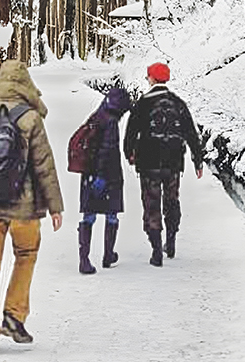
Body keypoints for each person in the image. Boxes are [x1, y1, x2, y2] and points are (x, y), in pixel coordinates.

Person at [0, 59, 64, 356]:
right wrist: (54, 206)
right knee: (26, 255)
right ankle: (14, 316)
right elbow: (44, 165)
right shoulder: (30, 118)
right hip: (23, 207)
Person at [123, 61, 204, 266]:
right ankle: (171, 240)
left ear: (151, 78)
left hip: (148, 163)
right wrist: (198, 160)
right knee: (171, 200)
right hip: (174, 162)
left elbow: (131, 132)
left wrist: (129, 154)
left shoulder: (143, 103)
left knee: (151, 204)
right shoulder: (178, 103)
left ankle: (156, 249)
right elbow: (191, 133)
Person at [75, 79, 133, 274]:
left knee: (89, 215)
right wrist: (103, 176)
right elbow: (108, 151)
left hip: (88, 175)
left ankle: (84, 259)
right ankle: (108, 254)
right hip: (109, 177)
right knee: (111, 215)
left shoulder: (96, 116)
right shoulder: (111, 123)